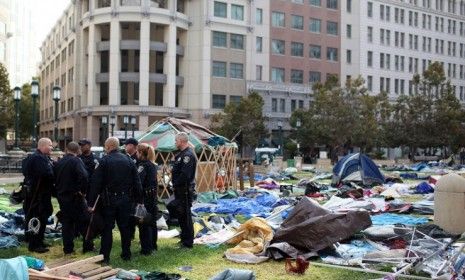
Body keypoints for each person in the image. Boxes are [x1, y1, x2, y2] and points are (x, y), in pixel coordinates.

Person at [89, 137, 142, 263]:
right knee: (125, 228)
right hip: (125, 199)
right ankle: (126, 254)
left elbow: (96, 183)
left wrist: (91, 203)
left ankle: (105, 257)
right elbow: (137, 182)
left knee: (107, 228)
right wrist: (140, 200)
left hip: (109, 200)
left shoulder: (104, 161)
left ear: (108, 147)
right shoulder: (129, 160)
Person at [54, 142, 93, 254]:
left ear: (67, 149)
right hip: (75, 196)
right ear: (78, 150)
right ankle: (88, 246)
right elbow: (84, 176)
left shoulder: (60, 161)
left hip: (62, 196)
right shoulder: (76, 161)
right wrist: (83, 192)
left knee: (67, 223)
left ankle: (68, 249)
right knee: (85, 221)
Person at [22, 138, 55, 253]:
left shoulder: (40, 157)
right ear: (43, 146)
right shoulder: (38, 158)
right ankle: (34, 245)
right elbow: (47, 173)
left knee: (42, 217)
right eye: (50, 145)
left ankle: (39, 241)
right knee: (37, 218)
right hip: (37, 196)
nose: (52, 147)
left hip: (40, 195)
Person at [170, 132, 197, 249]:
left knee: (185, 215)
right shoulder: (181, 154)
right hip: (179, 189)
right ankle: (184, 238)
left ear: (181, 141)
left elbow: (185, 174)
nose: (175, 143)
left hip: (184, 189)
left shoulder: (188, 156)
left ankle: (188, 242)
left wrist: (175, 184)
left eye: (176, 141)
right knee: (180, 215)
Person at [136, 143, 158, 255]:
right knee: (152, 222)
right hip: (153, 197)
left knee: (144, 224)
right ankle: (153, 246)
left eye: (137, 151)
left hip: (145, 198)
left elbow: (139, 183)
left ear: (140, 152)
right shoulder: (153, 164)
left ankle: (146, 249)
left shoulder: (143, 166)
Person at [125, 138, 139, 240]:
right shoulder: (127, 157)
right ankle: (130, 234)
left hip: (135, 190)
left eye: (127, 145)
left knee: (134, 213)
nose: (125, 147)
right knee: (129, 213)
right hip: (128, 190)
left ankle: (131, 233)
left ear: (132, 146)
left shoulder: (137, 158)